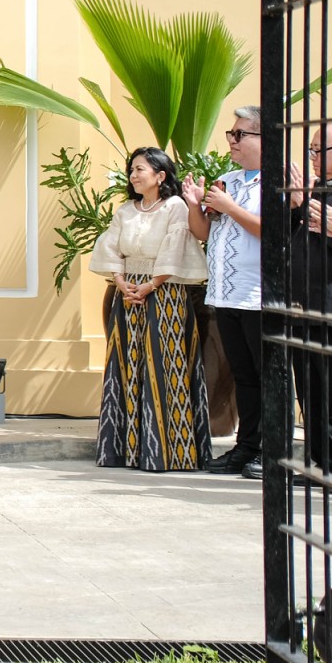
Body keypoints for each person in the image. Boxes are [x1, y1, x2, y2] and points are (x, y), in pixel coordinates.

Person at [88, 146, 211, 471]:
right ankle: (126, 450)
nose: (133, 175)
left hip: (165, 294)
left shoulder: (174, 207)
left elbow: (175, 247)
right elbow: (111, 245)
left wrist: (151, 285)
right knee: (128, 363)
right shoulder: (126, 211)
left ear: (160, 175)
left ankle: (168, 452)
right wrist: (121, 281)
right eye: (132, 170)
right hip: (128, 294)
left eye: (140, 169)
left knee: (164, 365)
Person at [182, 108, 264, 477]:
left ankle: (269, 448)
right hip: (224, 294)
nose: (231, 140)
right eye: (231, 133)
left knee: (265, 376)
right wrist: (194, 204)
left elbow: (274, 232)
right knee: (244, 378)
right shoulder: (228, 179)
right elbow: (203, 233)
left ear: (265, 139)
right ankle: (245, 448)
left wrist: (230, 207)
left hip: (259, 296)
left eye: (240, 134)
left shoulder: (279, 181)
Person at [288, 119, 332, 479]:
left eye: (319, 150)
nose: (312, 156)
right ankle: (322, 461)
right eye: (311, 150)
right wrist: (301, 203)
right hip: (305, 306)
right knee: (312, 394)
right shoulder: (323, 188)